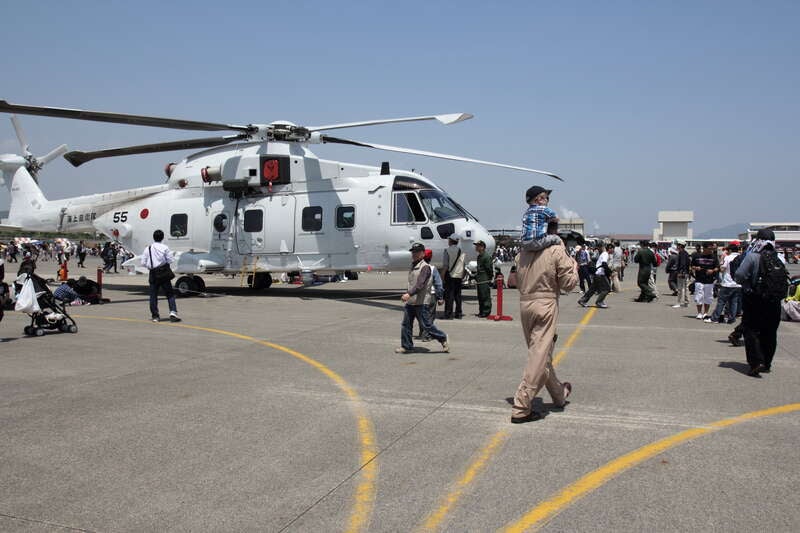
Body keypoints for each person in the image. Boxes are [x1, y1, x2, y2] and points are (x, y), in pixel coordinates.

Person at [511, 230, 577, 423]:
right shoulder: (556, 250)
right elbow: (568, 285)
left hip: (525, 305)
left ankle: (559, 394)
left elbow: (517, 282)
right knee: (538, 359)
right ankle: (521, 406)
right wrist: (574, 267)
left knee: (541, 355)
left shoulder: (521, 253)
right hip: (545, 304)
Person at [735, 229, 787, 376]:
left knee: (751, 330)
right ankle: (767, 363)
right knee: (770, 332)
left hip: (755, 299)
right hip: (774, 301)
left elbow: (739, 275)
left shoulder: (753, 257)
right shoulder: (780, 258)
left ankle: (756, 362)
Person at [396, 243, 448, 353]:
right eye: (413, 252)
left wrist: (408, 294)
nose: (414, 254)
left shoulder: (425, 267)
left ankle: (442, 338)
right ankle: (406, 346)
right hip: (411, 302)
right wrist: (408, 295)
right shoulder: (413, 265)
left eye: (417, 252)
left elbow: (420, 284)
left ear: (423, 254)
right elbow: (412, 283)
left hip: (421, 302)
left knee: (426, 325)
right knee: (406, 324)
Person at [141, 230, 181, 323]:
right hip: (163, 273)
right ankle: (173, 312)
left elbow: (143, 263)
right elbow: (170, 260)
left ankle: (155, 316)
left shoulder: (148, 248)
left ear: (153, 237)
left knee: (153, 296)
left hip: (153, 273)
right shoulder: (165, 247)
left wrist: (150, 266)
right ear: (162, 237)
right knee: (170, 294)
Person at [520, 185, 561, 252]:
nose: (547, 200)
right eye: (546, 198)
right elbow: (555, 218)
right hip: (537, 241)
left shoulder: (526, 212)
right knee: (557, 239)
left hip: (524, 243)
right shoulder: (543, 209)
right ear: (539, 199)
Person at [709, 243, 742, 324]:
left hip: (728, 283)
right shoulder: (742, 258)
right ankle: (732, 319)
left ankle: (715, 318)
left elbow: (722, 269)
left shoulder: (728, 257)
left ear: (730, 250)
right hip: (738, 283)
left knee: (721, 301)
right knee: (734, 302)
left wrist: (721, 262)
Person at [578, 242, 614, 308]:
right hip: (600, 274)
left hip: (597, 274)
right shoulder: (605, 254)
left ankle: (582, 300)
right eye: (612, 249)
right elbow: (604, 264)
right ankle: (599, 302)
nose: (613, 251)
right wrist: (610, 272)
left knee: (592, 289)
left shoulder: (603, 254)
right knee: (607, 288)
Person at [419, 249, 444, 340]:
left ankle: (422, 332)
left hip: (419, 295)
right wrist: (440, 297)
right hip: (431, 295)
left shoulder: (417, 268)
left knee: (422, 315)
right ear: (431, 257)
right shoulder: (433, 268)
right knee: (430, 316)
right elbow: (438, 284)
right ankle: (426, 335)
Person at [691, 242, 720, 320]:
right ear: (704, 248)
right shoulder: (696, 255)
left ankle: (706, 313)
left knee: (708, 297)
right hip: (699, 279)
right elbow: (692, 266)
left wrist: (712, 270)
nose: (711, 250)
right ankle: (699, 313)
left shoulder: (714, 257)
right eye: (710, 248)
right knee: (699, 296)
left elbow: (717, 267)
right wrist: (696, 268)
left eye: (712, 248)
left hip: (709, 280)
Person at [442, 234, 465, 319]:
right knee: (458, 295)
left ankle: (448, 314)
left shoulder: (447, 250)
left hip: (450, 276)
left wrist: (442, 276)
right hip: (458, 276)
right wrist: (462, 275)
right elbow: (463, 265)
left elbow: (445, 265)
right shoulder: (461, 251)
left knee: (449, 295)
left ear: (451, 241)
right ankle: (458, 314)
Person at [474, 240, 493, 317]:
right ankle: (481, 311)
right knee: (480, 296)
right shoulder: (479, 256)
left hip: (484, 278)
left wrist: (489, 278)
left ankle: (486, 311)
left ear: (482, 247)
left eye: (478, 246)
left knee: (485, 295)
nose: (476, 247)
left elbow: (489, 268)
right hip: (479, 278)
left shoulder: (486, 256)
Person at [671, 241, 691, 308]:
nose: (677, 246)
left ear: (680, 246)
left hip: (682, 273)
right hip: (686, 273)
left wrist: (680, 272)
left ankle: (679, 302)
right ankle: (686, 302)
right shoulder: (686, 253)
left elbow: (682, 263)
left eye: (678, 245)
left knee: (680, 288)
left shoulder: (681, 253)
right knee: (686, 288)